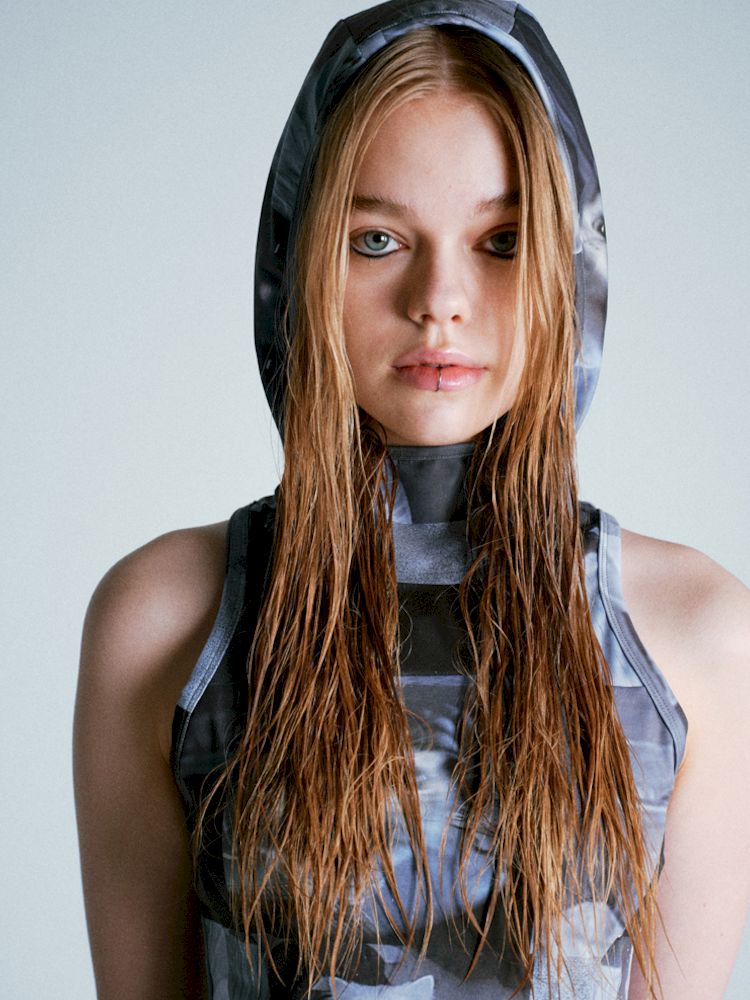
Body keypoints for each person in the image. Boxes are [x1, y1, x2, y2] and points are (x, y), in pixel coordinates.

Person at [73, 2, 750, 998]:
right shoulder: (165, 620)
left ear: (570, 264)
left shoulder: (697, 640)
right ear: (300, 260)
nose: (440, 298)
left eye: (502, 239)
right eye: (379, 239)